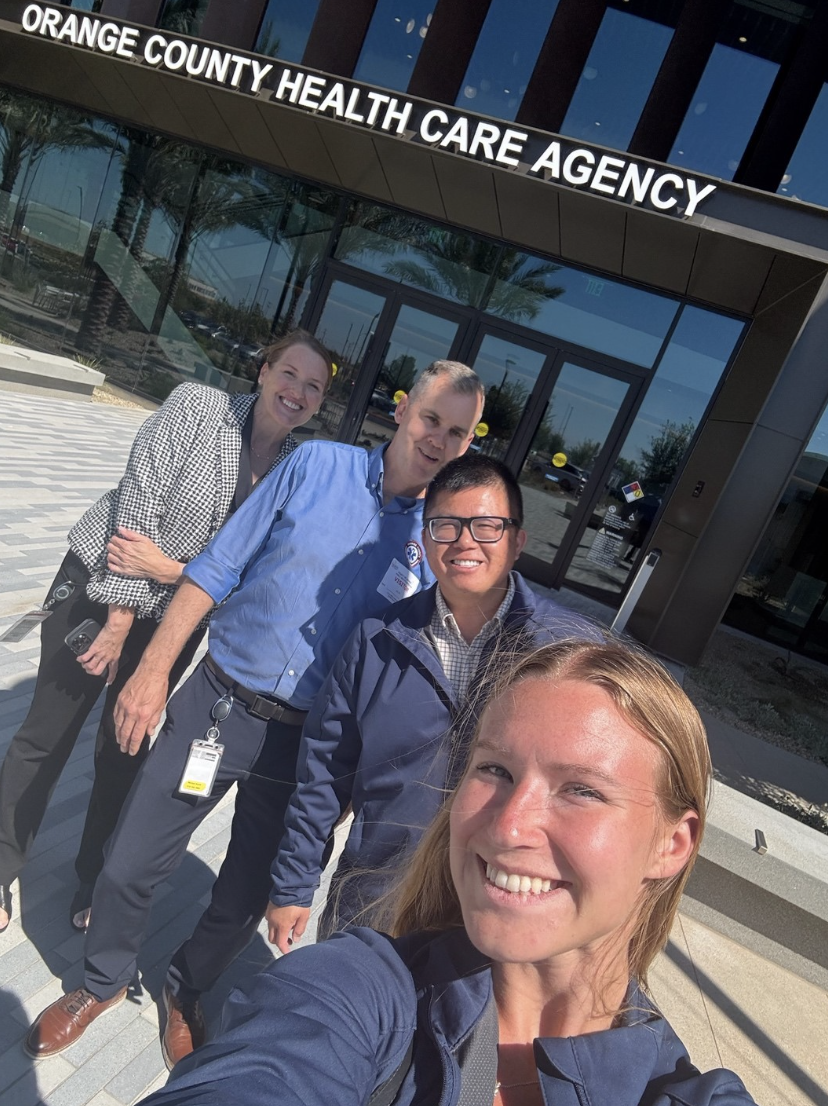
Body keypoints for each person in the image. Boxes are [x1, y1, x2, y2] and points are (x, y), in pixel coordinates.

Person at [25, 360, 485, 1066]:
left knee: (242, 897)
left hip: (307, 746)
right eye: (431, 419)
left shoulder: (436, 542)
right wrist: (151, 669)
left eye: (457, 432)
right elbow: (217, 566)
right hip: (218, 703)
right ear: (401, 411)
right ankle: (103, 981)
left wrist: (353, 781)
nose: (438, 439)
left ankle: (185, 988)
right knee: (128, 861)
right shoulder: (316, 468)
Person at [133, 639, 757, 1106]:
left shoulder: (682, 1091)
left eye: (582, 791)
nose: (510, 826)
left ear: (672, 845)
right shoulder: (359, 992)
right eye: (495, 771)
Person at [0, 330, 332, 936]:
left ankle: (91, 876)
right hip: (99, 592)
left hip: (172, 622)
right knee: (45, 735)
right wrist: (121, 615)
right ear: (263, 370)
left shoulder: (295, 470)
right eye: (290, 374)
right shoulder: (196, 408)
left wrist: (173, 570)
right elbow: (135, 511)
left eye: (314, 387)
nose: (298, 392)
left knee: (122, 746)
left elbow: (257, 574)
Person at [267, 454, 598, 951]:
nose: (465, 542)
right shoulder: (377, 640)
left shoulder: (567, 652)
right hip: (376, 900)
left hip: (505, 906)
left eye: (487, 526)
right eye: (445, 526)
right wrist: (293, 884)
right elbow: (324, 772)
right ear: (424, 540)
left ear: (517, 541)